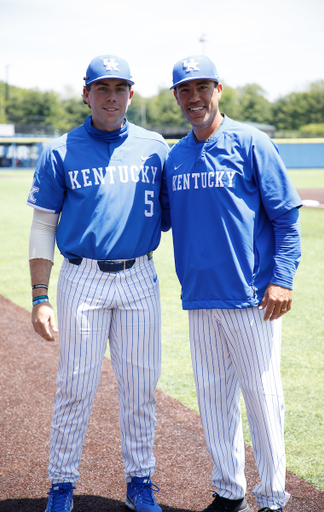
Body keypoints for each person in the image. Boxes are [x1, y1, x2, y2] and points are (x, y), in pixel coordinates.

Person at [27, 54, 170, 512]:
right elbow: (43, 225)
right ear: (86, 93)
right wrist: (39, 295)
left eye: (120, 88)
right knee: (75, 384)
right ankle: (62, 484)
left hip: (140, 278)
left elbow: (175, 213)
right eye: (102, 88)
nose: (112, 97)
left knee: (141, 386)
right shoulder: (60, 149)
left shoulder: (155, 146)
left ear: (132, 93)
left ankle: (140, 480)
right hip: (82, 279)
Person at [160, 55, 302, 512]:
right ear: (176, 97)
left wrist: (282, 279)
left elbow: (286, 218)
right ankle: (229, 491)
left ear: (218, 89)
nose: (194, 97)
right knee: (214, 401)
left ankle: (274, 498)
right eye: (185, 89)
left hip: (251, 300)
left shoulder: (252, 142)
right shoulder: (176, 156)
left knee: (263, 401)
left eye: (202, 87)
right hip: (199, 299)